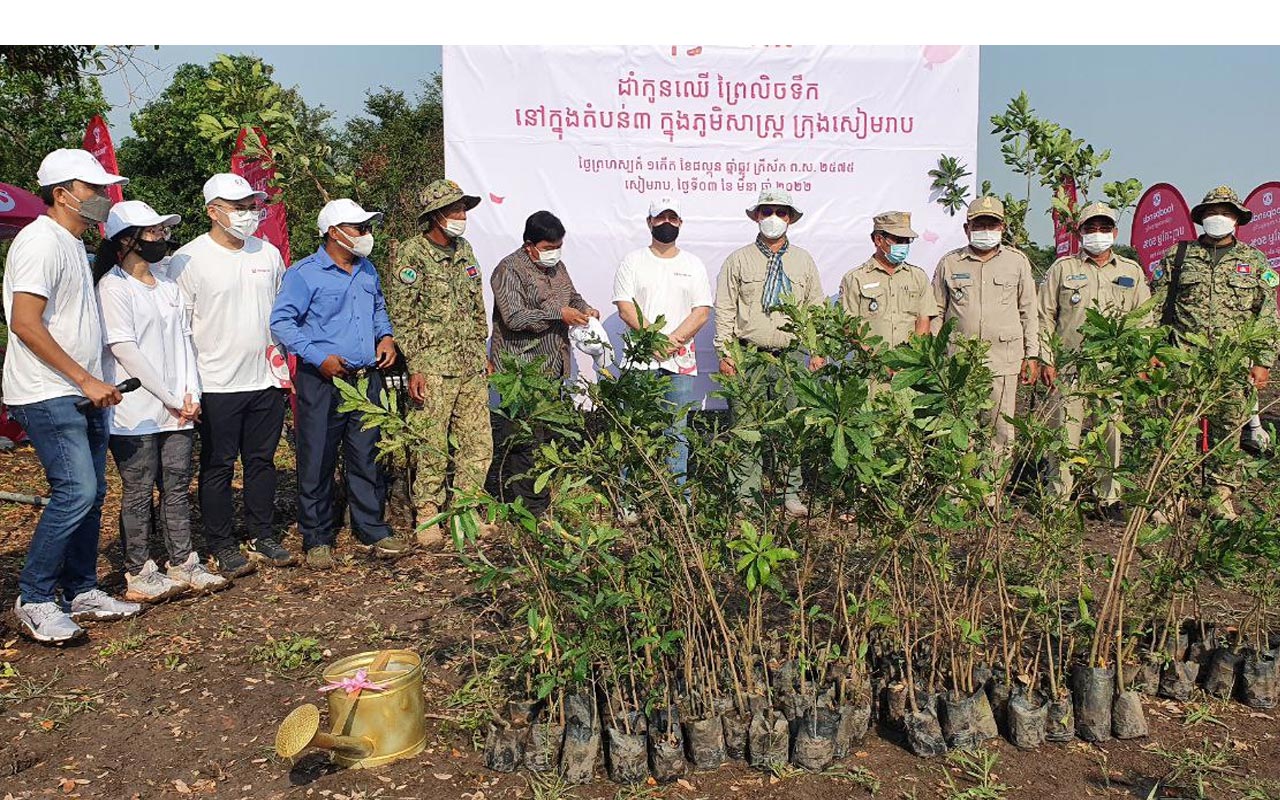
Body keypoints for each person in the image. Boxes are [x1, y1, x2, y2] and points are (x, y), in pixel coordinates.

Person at [3, 149, 140, 643]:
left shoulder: (73, 245)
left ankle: (81, 589)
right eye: (95, 189)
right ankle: (35, 598)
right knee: (76, 490)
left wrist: (99, 379)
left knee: (93, 492)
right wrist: (84, 380)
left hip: (83, 390)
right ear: (62, 194)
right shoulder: (39, 242)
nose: (104, 198)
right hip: (48, 391)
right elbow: (24, 323)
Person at [96, 201, 230, 601]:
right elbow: (126, 351)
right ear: (127, 239)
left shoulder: (168, 285)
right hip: (136, 412)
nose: (161, 239)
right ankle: (138, 570)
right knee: (138, 490)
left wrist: (191, 393)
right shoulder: (114, 287)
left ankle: (184, 561)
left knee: (175, 487)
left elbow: (185, 341)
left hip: (179, 409)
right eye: (153, 232)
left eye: (163, 232)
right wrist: (170, 397)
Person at [270, 199, 413, 568]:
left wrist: (385, 337)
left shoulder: (367, 271)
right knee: (316, 456)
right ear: (334, 233)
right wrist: (319, 358)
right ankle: (317, 537)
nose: (367, 235)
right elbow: (282, 323)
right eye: (359, 228)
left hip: (367, 379)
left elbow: (378, 308)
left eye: (367, 228)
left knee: (367, 454)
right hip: (322, 380)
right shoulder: (304, 274)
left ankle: (370, 526)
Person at [169, 173, 295, 577]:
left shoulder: (267, 254)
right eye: (237, 207)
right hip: (216, 383)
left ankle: (262, 533)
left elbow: (280, 312)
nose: (246, 214)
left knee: (262, 461)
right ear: (212, 211)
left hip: (265, 380)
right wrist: (189, 386)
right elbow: (180, 328)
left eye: (250, 206)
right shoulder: (187, 260)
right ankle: (222, 543)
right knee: (219, 465)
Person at [1150, 185, 1280, 520]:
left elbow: (1266, 314)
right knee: (1177, 428)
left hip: (1231, 364)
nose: (1217, 218)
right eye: (1211, 212)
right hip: (1183, 360)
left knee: (1228, 430)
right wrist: (1152, 349)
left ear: (1237, 218)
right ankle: (1172, 495)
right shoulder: (1178, 256)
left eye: (1225, 212)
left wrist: (1263, 361)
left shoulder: (1253, 261)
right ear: (1201, 218)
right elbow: (1155, 308)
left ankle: (1220, 496)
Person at [383, 179, 495, 545]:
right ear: (436, 216)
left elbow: (477, 307)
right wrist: (415, 364)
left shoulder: (465, 249)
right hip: (432, 366)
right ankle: (428, 513)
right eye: (455, 210)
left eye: (463, 209)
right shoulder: (413, 254)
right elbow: (403, 314)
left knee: (478, 443)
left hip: (471, 365)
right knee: (431, 441)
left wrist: (483, 351)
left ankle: (465, 512)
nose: (462, 216)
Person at [713, 189, 827, 516]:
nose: (773, 218)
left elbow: (815, 308)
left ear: (790, 218)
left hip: (791, 358)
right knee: (746, 427)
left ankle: (790, 493)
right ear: (757, 217)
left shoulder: (803, 260)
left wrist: (816, 350)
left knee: (793, 428)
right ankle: (745, 498)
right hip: (748, 356)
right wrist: (725, 351)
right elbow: (724, 309)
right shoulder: (738, 260)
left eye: (781, 212)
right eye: (767, 212)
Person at [1037, 202, 1151, 521]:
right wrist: (1046, 357)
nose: (1097, 235)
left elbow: (1143, 319)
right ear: (1080, 233)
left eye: (1104, 229)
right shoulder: (1062, 269)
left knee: (1110, 433)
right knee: (1064, 433)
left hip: (1112, 368)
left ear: (1115, 233)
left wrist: (1139, 359)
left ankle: (1108, 497)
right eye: (1090, 228)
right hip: (1070, 365)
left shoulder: (1130, 271)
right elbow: (1044, 315)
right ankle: (1058, 498)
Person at [487, 210, 599, 518]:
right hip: (521, 370)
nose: (554, 253)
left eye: (558, 246)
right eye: (548, 248)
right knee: (524, 439)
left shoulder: (557, 266)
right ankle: (527, 509)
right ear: (529, 245)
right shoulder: (508, 270)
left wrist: (584, 308)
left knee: (541, 439)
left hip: (552, 368)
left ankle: (534, 502)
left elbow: (572, 297)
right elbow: (514, 317)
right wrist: (557, 315)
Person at [613, 197, 713, 490]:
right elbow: (624, 306)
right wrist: (652, 338)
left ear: (680, 223)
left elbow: (702, 310)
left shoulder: (693, 264)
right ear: (649, 222)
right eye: (660, 218)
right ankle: (629, 496)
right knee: (634, 429)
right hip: (640, 358)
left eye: (673, 218)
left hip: (680, 360)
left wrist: (674, 341)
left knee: (676, 431)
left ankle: (677, 499)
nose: (666, 224)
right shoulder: (632, 261)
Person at [932, 195, 1039, 467]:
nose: (986, 230)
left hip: (1002, 361)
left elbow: (1029, 311)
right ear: (967, 229)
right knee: (959, 428)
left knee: (1000, 429)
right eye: (979, 224)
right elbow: (936, 312)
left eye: (992, 225)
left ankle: (992, 496)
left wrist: (1032, 355)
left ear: (1002, 228)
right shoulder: (950, 263)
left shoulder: (1017, 262)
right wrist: (933, 359)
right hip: (959, 362)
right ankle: (959, 495)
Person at [838, 211, 937, 350]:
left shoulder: (918, 277)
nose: (904, 245)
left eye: (907, 241)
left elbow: (924, 320)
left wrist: (911, 361)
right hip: (871, 366)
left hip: (909, 368)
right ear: (878, 240)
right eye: (898, 240)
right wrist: (876, 361)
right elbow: (848, 326)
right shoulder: (855, 278)